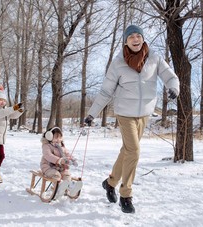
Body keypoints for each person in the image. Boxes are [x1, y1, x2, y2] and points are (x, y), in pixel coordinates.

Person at [85, 25, 180, 213]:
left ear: (143, 39)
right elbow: (106, 91)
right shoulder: (118, 62)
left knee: (127, 151)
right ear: (125, 41)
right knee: (134, 151)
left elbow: (170, 76)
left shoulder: (155, 58)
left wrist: (174, 88)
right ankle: (126, 195)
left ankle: (110, 182)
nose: (135, 39)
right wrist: (91, 114)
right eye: (131, 37)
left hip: (144, 113)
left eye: (139, 36)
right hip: (125, 113)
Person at [40, 126, 82, 197]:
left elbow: (67, 153)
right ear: (49, 137)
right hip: (48, 167)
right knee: (56, 175)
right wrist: (59, 160)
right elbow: (48, 156)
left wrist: (72, 159)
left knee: (67, 175)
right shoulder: (46, 146)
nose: (58, 139)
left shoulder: (61, 146)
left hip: (61, 167)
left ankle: (70, 186)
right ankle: (58, 189)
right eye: (56, 137)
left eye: (59, 137)